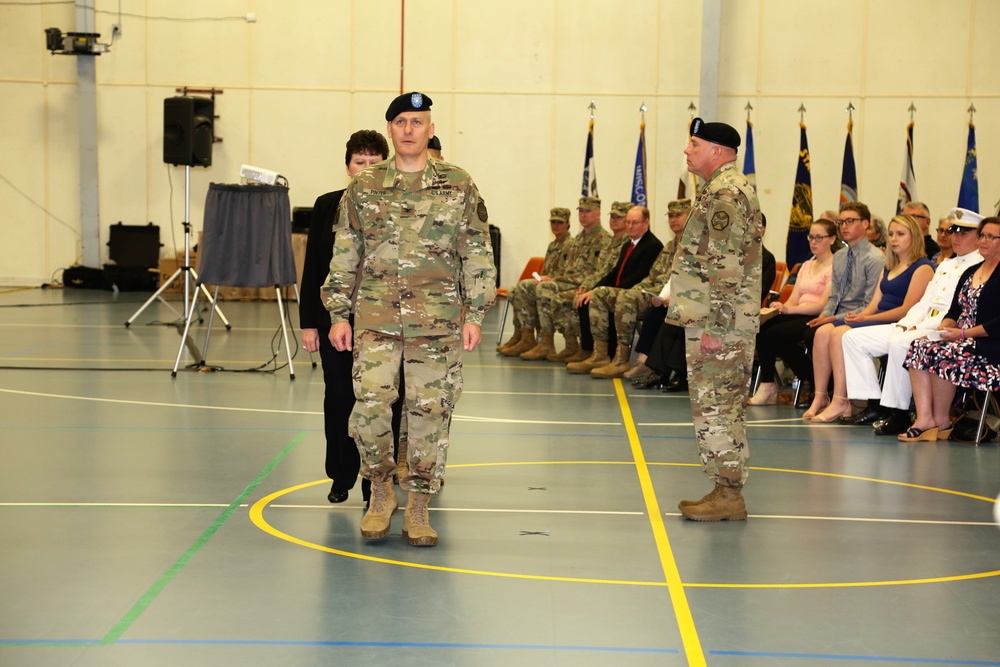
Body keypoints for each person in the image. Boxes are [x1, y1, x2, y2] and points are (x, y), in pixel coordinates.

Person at [323, 92, 497, 546]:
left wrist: (475, 312)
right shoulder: (364, 187)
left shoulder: (457, 183)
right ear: (390, 129)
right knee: (371, 409)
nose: (408, 129)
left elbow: (475, 249)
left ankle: (418, 503)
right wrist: (338, 313)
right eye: (400, 121)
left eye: (416, 122)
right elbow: (346, 252)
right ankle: (381, 491)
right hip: (376, 317)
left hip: (437, 321)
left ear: (430, 128)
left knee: (429, 414)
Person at [668, 117, 762, 522]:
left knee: (717, 405)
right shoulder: (719, 190)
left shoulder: (725, 194)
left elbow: (726, 267)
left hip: (722, 322)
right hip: (718, 317)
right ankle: (725, 489)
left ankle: (729, 494)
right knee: (718, 404)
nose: (687, 151)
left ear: (717, 151)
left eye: (694, 144)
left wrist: (716, 328)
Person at [301, 130, 401, 506]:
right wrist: (310, 322)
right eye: (360, 162)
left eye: (375, 163)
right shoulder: (327, 205)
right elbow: (314, 268)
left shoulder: (399, 206)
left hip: (385, 322)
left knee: (382, 400)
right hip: (337, 321)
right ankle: (341, 474)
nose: (366, 169)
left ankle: (376, 481)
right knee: (340, 396)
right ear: (348, 166)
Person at [841, 208, 984, 435]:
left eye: (963, 232)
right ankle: (874, 403)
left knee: (900, 343)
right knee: (852, 338)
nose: (955, 237)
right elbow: (925, 302)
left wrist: (917, 327)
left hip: (943, 328)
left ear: (978, 236)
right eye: (953, 231)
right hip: (920, 322)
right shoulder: (947, 265)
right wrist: (905, 323)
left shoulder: (980, 265)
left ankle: (898, 412)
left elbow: (959, 310)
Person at [807, 213, 934, 423]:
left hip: (898, 323)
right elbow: (874, 304)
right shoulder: (889, 266)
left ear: (915, 237)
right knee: (825, 331)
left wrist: (864, 320)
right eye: (891, 234)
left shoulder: (922, 267)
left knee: (840, 334)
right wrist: (858, 316)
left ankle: (848, 399)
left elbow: (907, 310)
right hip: (878, 318)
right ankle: (835, 398)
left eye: (900, 234)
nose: (893, 239)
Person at [900, 216, 1000, 441]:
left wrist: (963, 334)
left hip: (989, 345)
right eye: (982, 235)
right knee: (920, 345)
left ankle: (942, 418)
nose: (984, 241)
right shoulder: (970, 271)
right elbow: (954, 311)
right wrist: (945, 328)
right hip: (960, 337)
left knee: (945, 352)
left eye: (991, 237)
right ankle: (925, 418)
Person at [799, 202, 886, 418]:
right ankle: (821, 395)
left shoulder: (875, 259)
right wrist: (824, 315)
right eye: (841, 222)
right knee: (820, 333)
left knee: (835, 333)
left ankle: (842, 398)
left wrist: (833, 318)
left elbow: (868, 304)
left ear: (865, 224)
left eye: (850, 221)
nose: (844, 226)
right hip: (840, 315)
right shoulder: (839, 256)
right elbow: (833, 295)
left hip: (862, 315)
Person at [747, 219, 838, 405]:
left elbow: (822, 304)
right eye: (811, 237)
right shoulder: (806, 265)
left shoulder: (835, 266)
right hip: (798, 312)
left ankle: (816, 380)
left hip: (817, 315)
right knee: (763, 327)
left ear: (832, 239)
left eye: (819, 237)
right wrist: (780, 309)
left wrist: (789, 309)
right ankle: (768, 385)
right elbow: (794, 297)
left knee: (774, 334)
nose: (813, 242)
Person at [568, 205, 663, 376]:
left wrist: (610, 290)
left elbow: (638, 277)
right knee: (594, 294)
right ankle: (599, 354)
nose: (630, 226)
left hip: (635, 291)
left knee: (607, 295)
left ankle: (621, 359)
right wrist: (595, 288)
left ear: (646, 223)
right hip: (621, 290)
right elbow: (614, 273)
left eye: (635, 223)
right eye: (628, 222)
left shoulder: (652, 245)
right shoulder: (628, 244)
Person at [519, 197, 610, 361]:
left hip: (586, 286)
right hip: (569, 282)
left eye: (587, 211)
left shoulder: (604, 240)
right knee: (527, 286)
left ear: (598, 213)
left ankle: (569, 344)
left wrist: (555, 280)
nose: (583, 215)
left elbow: (601, 272)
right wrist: (553, 278)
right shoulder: (578, 240)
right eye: (581, 211)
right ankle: (535, 339)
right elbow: (568, 269)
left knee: (545, 289)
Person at [621, 198, 692, 382]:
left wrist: (667, 297)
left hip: (683, 298)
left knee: (655, 313)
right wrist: (645, 291)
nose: (673, 219)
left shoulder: (693, 245)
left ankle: (644, 362)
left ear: (690, 216)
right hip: (661, 294)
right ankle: (622, 357)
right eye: (671, 216)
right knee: (630, 298)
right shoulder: (669, 246)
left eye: (678, 215)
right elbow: (653, 275)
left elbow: (686, 279)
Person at [497, 207, 574, 356]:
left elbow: (569, 273)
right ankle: (524, 336)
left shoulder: (571, 245)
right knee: (516, 289)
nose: (556, 225)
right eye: (553, 222)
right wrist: (542, 278)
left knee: (537, 288)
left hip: (561, 285)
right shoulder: (553, 245)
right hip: (548, 283)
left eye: (560, 222)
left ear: (568, 224)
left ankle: (545, 342)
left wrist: (552, 279)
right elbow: (547, 271)